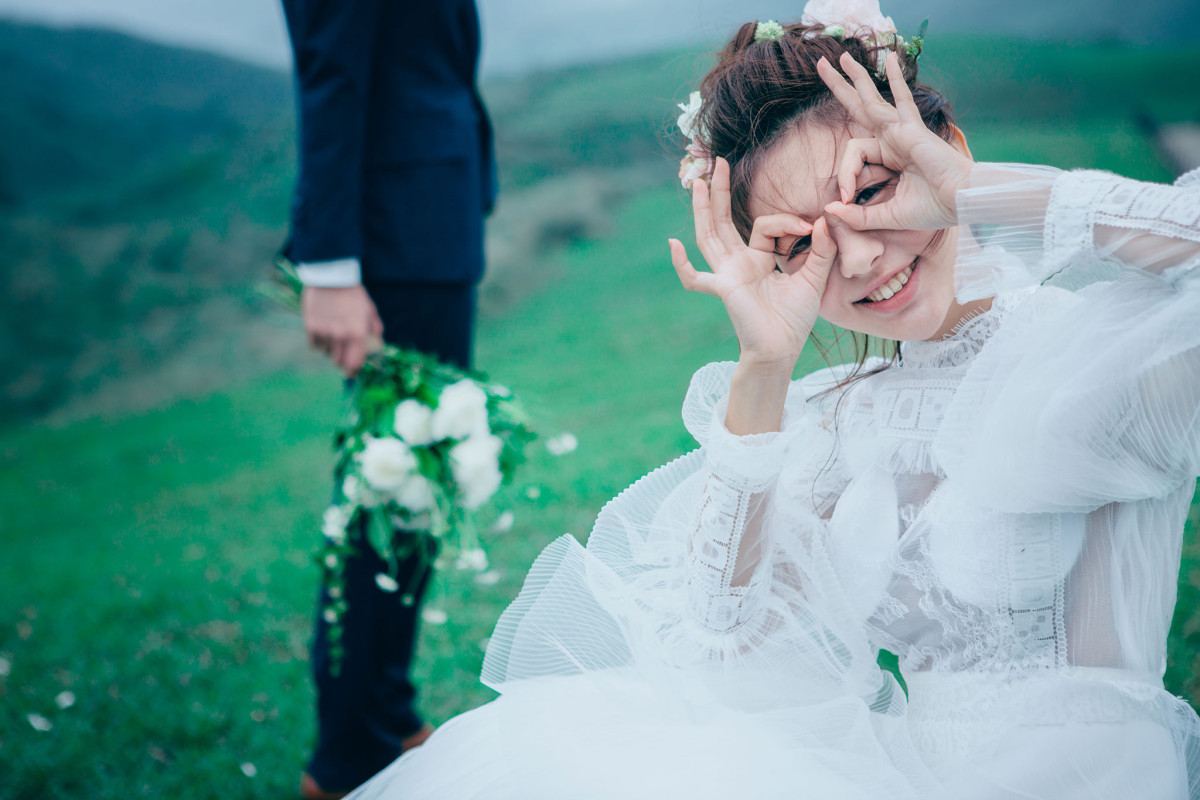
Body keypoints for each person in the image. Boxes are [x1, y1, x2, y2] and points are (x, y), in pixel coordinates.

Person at [344, 2, 1200, 798]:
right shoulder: (844, 420)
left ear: (948, 150)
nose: (859, 259)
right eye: (800, 246)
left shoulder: (1087, 362)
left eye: (874, 192)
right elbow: (720, 642)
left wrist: (974, 191)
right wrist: (763, 366)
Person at [278, 1, 496, 797]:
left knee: (420, 476)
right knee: (388, 481)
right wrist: (329, 266)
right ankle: (349, 754)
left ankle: (386, 714)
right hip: (393, 234)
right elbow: (330, 68)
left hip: (426, 220)